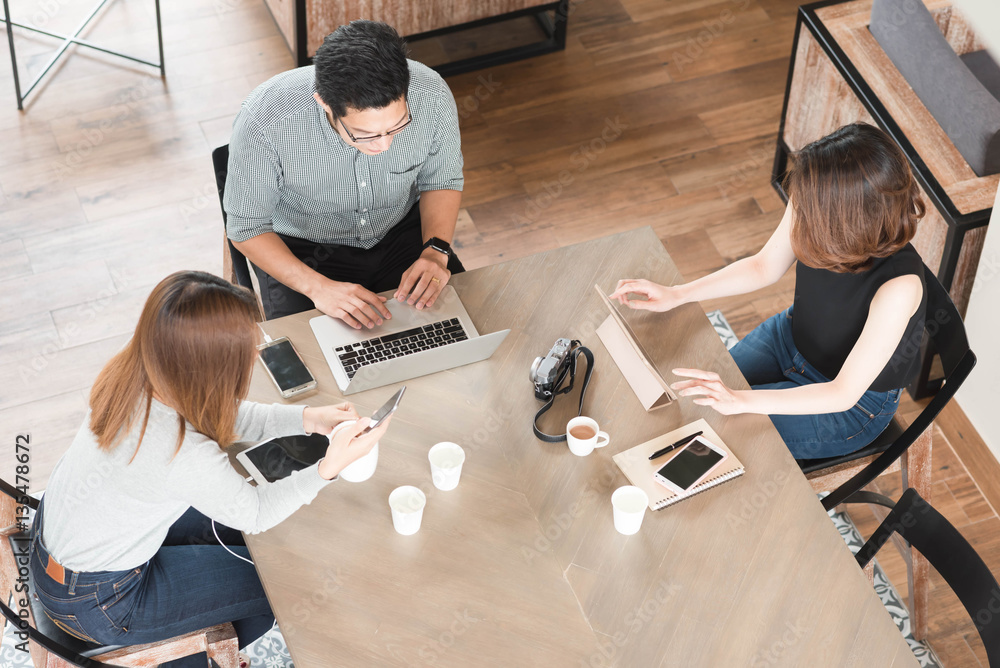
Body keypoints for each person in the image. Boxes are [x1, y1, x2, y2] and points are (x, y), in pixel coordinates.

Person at [29, 271, 390, 668]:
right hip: (101, 602)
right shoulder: (182, 454)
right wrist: (329, 466)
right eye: (248, 349)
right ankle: (199, 659)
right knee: (275, 586)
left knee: (242, 545)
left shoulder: (133, 373)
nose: (256, 353)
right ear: (210, 369)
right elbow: (256, 513)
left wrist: (307, 418)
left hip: (59, 551)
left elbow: (215, 412)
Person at [611, 123, 927, 460]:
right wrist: (678, 293)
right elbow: (764, 266)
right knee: (689, 402)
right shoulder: (815, 201)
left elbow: (842, 393)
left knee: (715, 437)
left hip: (850, 406)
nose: (798, 208)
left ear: (845, 219)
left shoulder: (900, 287)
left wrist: (741, 400)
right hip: (788, 340)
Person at [225, 20, 466, 324]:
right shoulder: (264, 122)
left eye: (397, 125)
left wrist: (435, 250)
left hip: (402, 231)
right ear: (325, 103)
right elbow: (247, 226)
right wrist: (318, 288)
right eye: (365, 134)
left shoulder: (432, 94)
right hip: (303, 251)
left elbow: (442, 179)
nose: (385, 145)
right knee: (313, 362)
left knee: (458, 328)